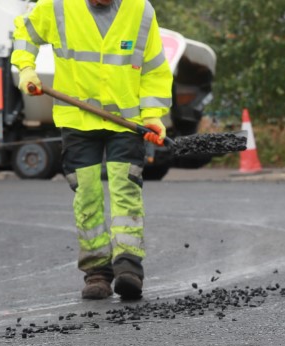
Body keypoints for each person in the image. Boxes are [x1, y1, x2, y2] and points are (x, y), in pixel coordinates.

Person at [11, 0, 173, 300]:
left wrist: (153, 113)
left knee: (125, 190)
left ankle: (128, 267)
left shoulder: (140, 11)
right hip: (77, 120)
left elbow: (154, 68)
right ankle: (97, 272)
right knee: (86, 194)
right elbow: (25, 30)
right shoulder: (58, 6)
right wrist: (26, 67)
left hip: (126, 121)